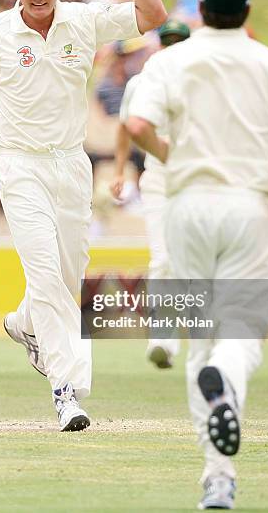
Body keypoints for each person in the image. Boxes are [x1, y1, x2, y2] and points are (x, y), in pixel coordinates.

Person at [0, 0, 167, 432]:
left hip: (71, 165)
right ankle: (66, 393)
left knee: (68, 279)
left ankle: (23, 324)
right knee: (46, 275)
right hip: (18, 165)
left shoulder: (84, 20)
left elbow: (152, 15)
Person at [126, 0, 268, 509]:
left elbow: (137, 126)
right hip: (249, 207)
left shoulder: (170, 60)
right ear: (249, 12)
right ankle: (224, 390)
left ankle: (217, 477)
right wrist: (259, 162)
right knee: (242, 332)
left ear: (202, 11)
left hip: (186, 206)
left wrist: (178, 158)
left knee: (199, 341)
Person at [110, 19, 191, 370]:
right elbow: (127, 126)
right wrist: (118, 170)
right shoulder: (142, 82)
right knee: (162, 259)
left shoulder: (205, 81)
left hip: (201, 180)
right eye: (168, 41)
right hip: (159, 177)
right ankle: (163, 338)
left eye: (179, 42)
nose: (172, 48)